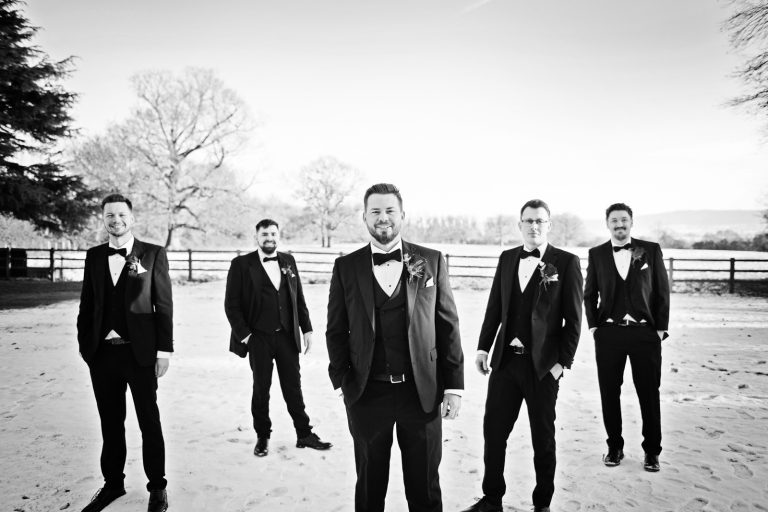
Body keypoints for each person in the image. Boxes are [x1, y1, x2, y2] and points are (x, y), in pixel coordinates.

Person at [326, 183, 464, 512]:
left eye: (390, 210)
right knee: (369, 488)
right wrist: (342, 382)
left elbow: (448, 325)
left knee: (425, 488)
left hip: (422, 393)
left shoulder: (431, 260)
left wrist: (454, 386)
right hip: (366, 394)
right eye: (375, 211)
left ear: (402, 215)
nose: (383, 217)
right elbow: (336, 330)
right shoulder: (346, 267)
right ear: (364, 217)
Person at [463, 199, 583, 512]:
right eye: (528, 221)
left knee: (542, 439)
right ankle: (492, 499)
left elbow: (574, 320)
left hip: (542, 367)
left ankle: (542, 504)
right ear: (520, 225)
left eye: (539, 221)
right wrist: (483, 348)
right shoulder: (506, 258)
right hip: (505, 362)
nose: (534, 226)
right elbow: (494, 307)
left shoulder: (566, 262)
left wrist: (561, 364)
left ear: (549, 225)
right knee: (493, 433)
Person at [77, 194, 172, 512]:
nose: (115, 220)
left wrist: (164, 351)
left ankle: (157, 487)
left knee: (149, 422)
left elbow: (164, 306)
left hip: (140, 354)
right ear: (103, 219)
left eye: (121, 215)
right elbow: (87, 304)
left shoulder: (153, 254)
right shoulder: (93, 256)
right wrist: (86, 347)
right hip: (102, 355)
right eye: (109, 215)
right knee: (110, 423)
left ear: (132, 218)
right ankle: (113, 484)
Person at [224, 218, 331, 457]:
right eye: (265, 234)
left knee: (294, 387)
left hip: (286, 337)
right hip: (258, 337)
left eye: (273, 234)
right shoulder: (241, 264)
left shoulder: (288, 260)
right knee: (261, 388)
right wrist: (247, 336)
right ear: (256, 237)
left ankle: (304, 433)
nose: (269, 238)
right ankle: (262, 436)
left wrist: (307, 329)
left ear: (278, 236)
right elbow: (231, 305)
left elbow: (298, 297)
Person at [584, 203, 670, 472]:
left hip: (645, 334)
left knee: (649, 393)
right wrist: (594, 328)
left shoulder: (650, 250)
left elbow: (662, 291)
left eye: (624, 219)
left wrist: (660, 329)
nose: (619, 224)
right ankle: (614, 447)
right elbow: (589, 294)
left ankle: (652, 451)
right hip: (609, 334)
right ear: (607, 224)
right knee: (609, 392)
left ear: (631, 222)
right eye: (614, 220)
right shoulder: (596, 254)